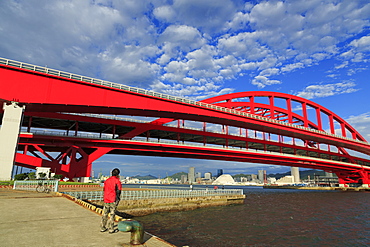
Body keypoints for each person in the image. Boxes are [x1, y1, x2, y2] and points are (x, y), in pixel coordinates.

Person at [100, 168, 122, 233]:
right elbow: (119, 190)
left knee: (105, 214)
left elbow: (104, 189)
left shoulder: (106, 181)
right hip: (113, 199)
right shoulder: (117, 181)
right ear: (118, 174)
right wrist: (118, 199)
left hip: (106, 199)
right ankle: (111, 229)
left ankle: (102, 227)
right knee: (112, 215)